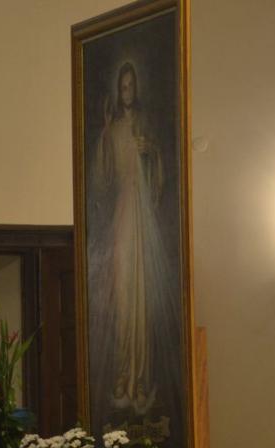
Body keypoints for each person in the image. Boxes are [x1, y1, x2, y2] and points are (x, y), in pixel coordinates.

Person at [88, 60, 181, 420]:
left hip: (143, 219)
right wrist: (103, 135)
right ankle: (123, 373)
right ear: (118, 91)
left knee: (142, 298)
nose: (127, 92)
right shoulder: (112, 131)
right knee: (125, 297)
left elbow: (159, 180)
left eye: (131, 86)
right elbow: (102, 181)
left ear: (136, 89)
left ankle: (141, 379)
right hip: (123, 216)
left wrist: (151, 152)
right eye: (123, 87)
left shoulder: (145, 126)